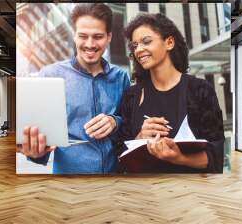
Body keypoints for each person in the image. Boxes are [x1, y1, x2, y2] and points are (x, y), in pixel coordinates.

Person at [17, 3, 130, 174]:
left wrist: (115, 121)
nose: (90, 44)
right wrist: (35, 153)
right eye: (83, 36)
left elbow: (129, 125)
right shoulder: (50, 75)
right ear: (74, 36)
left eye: (98, 36)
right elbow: (40, 136)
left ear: (109, 37)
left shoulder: (121, 77)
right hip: (69, 183)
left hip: (115, 177)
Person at [115, 13, 224, 173]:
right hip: (145, 192)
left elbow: (217, 153)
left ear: (169, 42)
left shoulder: (201, 90)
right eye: (135, 45)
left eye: (146, 42)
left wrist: (179, 158)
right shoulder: (131, 96)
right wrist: (139, 138)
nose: (139, 50)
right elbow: (119, 153)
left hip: (189, 192)